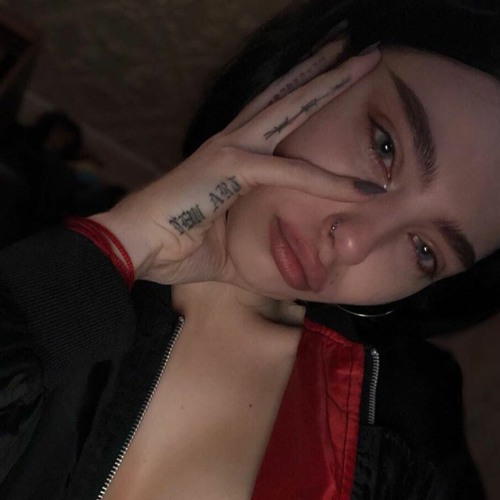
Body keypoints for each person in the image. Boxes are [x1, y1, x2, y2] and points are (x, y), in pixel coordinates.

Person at [1, 0, 499, 498]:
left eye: (424, 250)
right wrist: (114, 251)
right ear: (321, 60)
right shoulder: (22, 212)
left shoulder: (408, 440)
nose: (352, 243)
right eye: (385, 147)